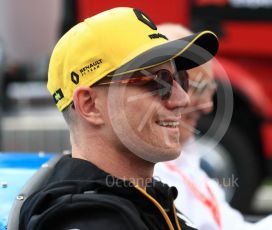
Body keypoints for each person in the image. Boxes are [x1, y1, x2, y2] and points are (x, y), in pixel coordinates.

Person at [19, 8, 219, 230]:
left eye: (180, 79)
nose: (182, 98)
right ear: (90, 105)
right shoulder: (89, 219)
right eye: (158, 82)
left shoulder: (145, 197)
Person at [154, 23, 272, 230]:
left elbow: (229, 224)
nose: (208, 106)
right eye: (198, 89)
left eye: (211, 90)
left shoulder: (184, 157)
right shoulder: (151, 172)